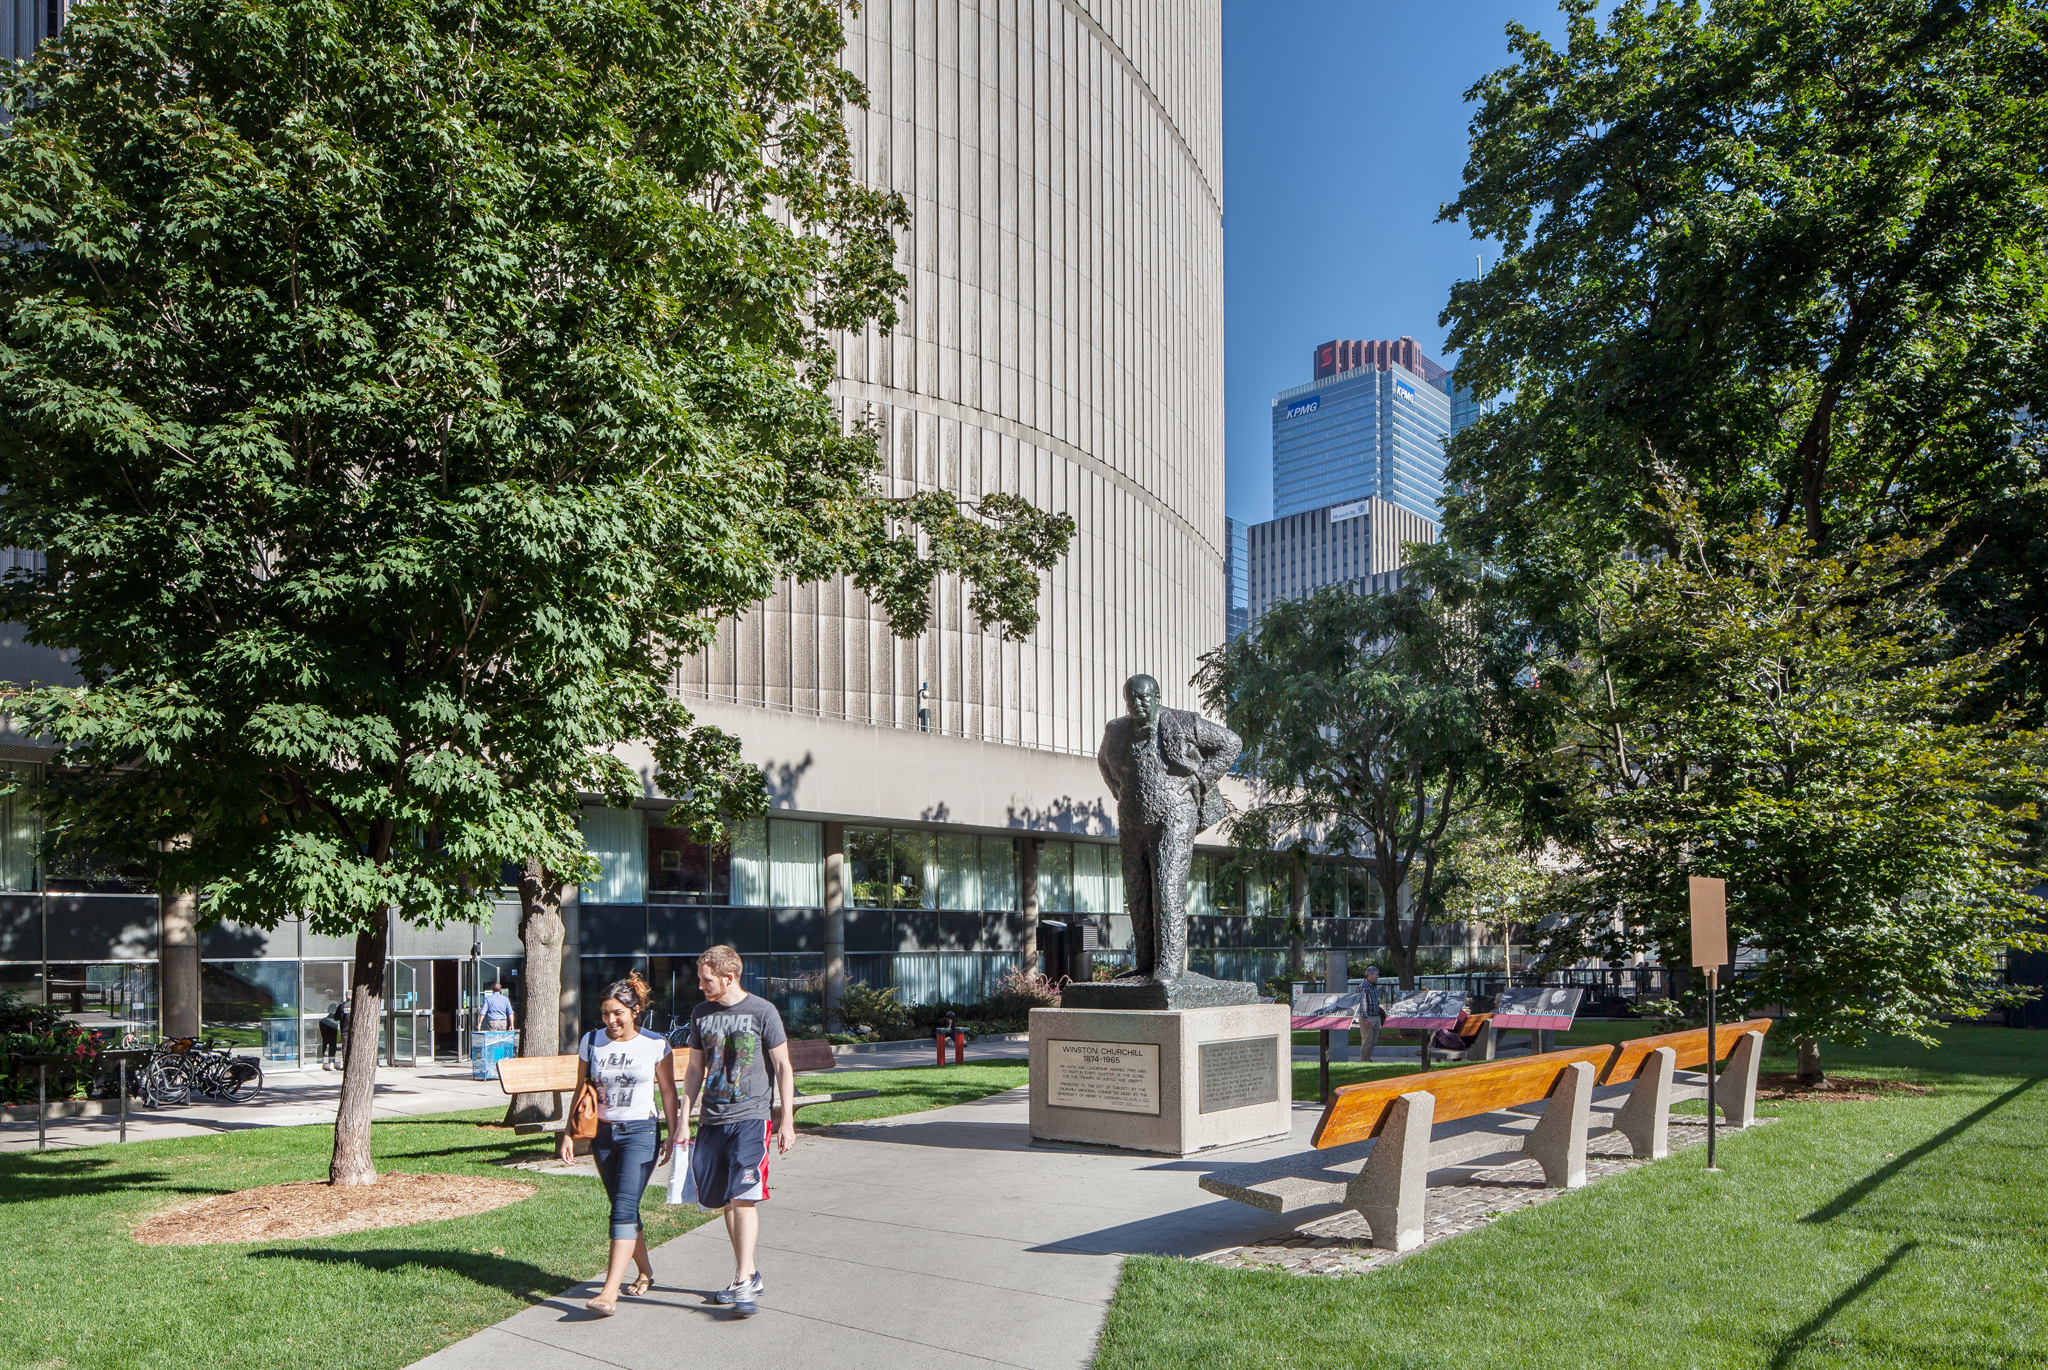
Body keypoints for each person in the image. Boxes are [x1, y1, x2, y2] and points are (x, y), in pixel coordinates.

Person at [1094, 673, 1241, 984]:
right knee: (1137, 890)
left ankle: (1169, 968)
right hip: (1133, 821)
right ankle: (1146, 964)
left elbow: (1231, 743)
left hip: (1175, 815)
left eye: (1144, 697)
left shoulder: (1183, 722)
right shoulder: (1116, 729)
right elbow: (1103, 763)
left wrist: (1200, 779)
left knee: (1167, 886)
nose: (1138, 703)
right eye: (1131, 698)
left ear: (1157, 697)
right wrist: (1121, 792)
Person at [557, 971, 680, 1317]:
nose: (611, 1021)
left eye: (618, 1014)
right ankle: (646, 1272)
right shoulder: (592, 1041)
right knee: (624, 1207)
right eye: (606, 1014)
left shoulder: (656, 1044)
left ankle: (609, 1292)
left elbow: (668, 1092)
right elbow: (580, 1090)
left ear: (635, 1009)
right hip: (605, 1136)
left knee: (622, 1208)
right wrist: (569, 1132)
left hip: (641, 1132)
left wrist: (673, 1133)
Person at [681, 944, 794, 1319]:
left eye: (706, 979)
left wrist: (786, 1120)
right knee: (725, 1199)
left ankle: (745, 1281)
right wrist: (684, 1116)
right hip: (713, 1120)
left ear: (728, 978)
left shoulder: (763, 1011)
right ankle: (746, 1273)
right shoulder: (701, 1014)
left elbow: (783, 1067)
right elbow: (695, 1070)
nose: (700, 985)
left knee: (744, 1194)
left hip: (751, 1117)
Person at [317, 999, 342, 1070]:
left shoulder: (323, 1021)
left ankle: (324, 1061)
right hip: (332, 1038)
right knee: (332, 1047)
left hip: (325, 1037)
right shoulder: (334, 1021)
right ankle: (331, 1060)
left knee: (325, 1046)